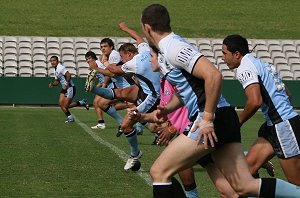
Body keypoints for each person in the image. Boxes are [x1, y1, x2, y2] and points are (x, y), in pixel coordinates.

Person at [140, 3, 300, 197]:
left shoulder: (172, 46)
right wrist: (166, 110)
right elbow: (187, 89)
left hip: (211, 119)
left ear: (147, 27)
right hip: (223, 116)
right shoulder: (168, 48)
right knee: (243, 185)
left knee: (159, 172)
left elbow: (214, 75)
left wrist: (207, 118)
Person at [222, 34, 300, 185]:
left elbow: (255, 101)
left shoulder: (244, 67)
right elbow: (288, 94)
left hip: (282, 127)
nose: (223, 58)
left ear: (237, 54)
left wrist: (236, 123)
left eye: (225, 53)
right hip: (277, 125)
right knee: (248, 170)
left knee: (296, 183)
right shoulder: (261, 64)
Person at [85, 24, 161, 170]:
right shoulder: (144, 50)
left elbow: (114, 70)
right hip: (144, 90)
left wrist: (102, 63)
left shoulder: (134, 63)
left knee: (126, 125)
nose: (122, 59)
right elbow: (138, 37)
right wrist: (125, 29)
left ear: (129, 53)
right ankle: (93, 88)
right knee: (120, 93)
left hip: (150, 97)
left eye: (122, 57)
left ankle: (135, 153)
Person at [85, 50, 131, 130]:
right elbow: (102, 77)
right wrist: (99, 85)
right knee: (102, 104)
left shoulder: (97, 64)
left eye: (89, 58)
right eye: (86, 59)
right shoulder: (96, 64)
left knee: (98, 103)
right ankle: (125, 117)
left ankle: (102, 123)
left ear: (93, 58)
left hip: (111, 85)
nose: (88, 60)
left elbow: (108, 73)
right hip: (110, 85)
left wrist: (104, 85)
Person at [49, 55, 89, 123]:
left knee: (65, 106)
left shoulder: (60, 67)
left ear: (57, 61)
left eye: (54, 60)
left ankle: (82, 102)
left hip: (70, 87)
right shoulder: (55, 70)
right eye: (51, 61)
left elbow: (68, 75)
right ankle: (70, 118)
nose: (52, 62)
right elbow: (58, 81)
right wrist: (52, 84)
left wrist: (66, 84)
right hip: (65, 88)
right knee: (61, 104)